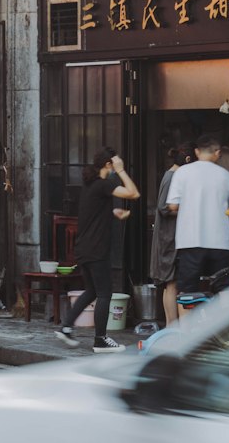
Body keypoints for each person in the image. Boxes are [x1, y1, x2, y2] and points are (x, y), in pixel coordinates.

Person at [55, 148, 139, 353]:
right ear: (108, 165)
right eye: (115, 163)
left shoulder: (91, 185)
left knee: (92, 290)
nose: (117, 166)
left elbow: (93, 211)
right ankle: (100, 339)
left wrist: (111, 211)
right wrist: (121, 171)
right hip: (96, 249)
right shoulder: (105, 183)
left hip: (84, 248)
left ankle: (66, 327)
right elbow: (133, 193)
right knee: (104, 293)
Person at [166, 132, 229, 294]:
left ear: (197, 152)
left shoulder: (182, 173)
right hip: (219, 242)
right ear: (218, 153)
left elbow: (172, 206)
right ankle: (221, 319)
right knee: (223, 289)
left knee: (187, 291)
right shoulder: (225, 176)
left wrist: (190, 206)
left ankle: (189, 320)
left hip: (190, 240)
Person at [149, 146, 189, 324]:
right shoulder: (172, 177)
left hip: (170, 235)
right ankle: (172, 326)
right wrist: (188, 207)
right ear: (187, 160)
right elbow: (164, 207)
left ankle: (171, 327)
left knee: (170, 284)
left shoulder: (171, 175)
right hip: (168, 236)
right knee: (172, 283)